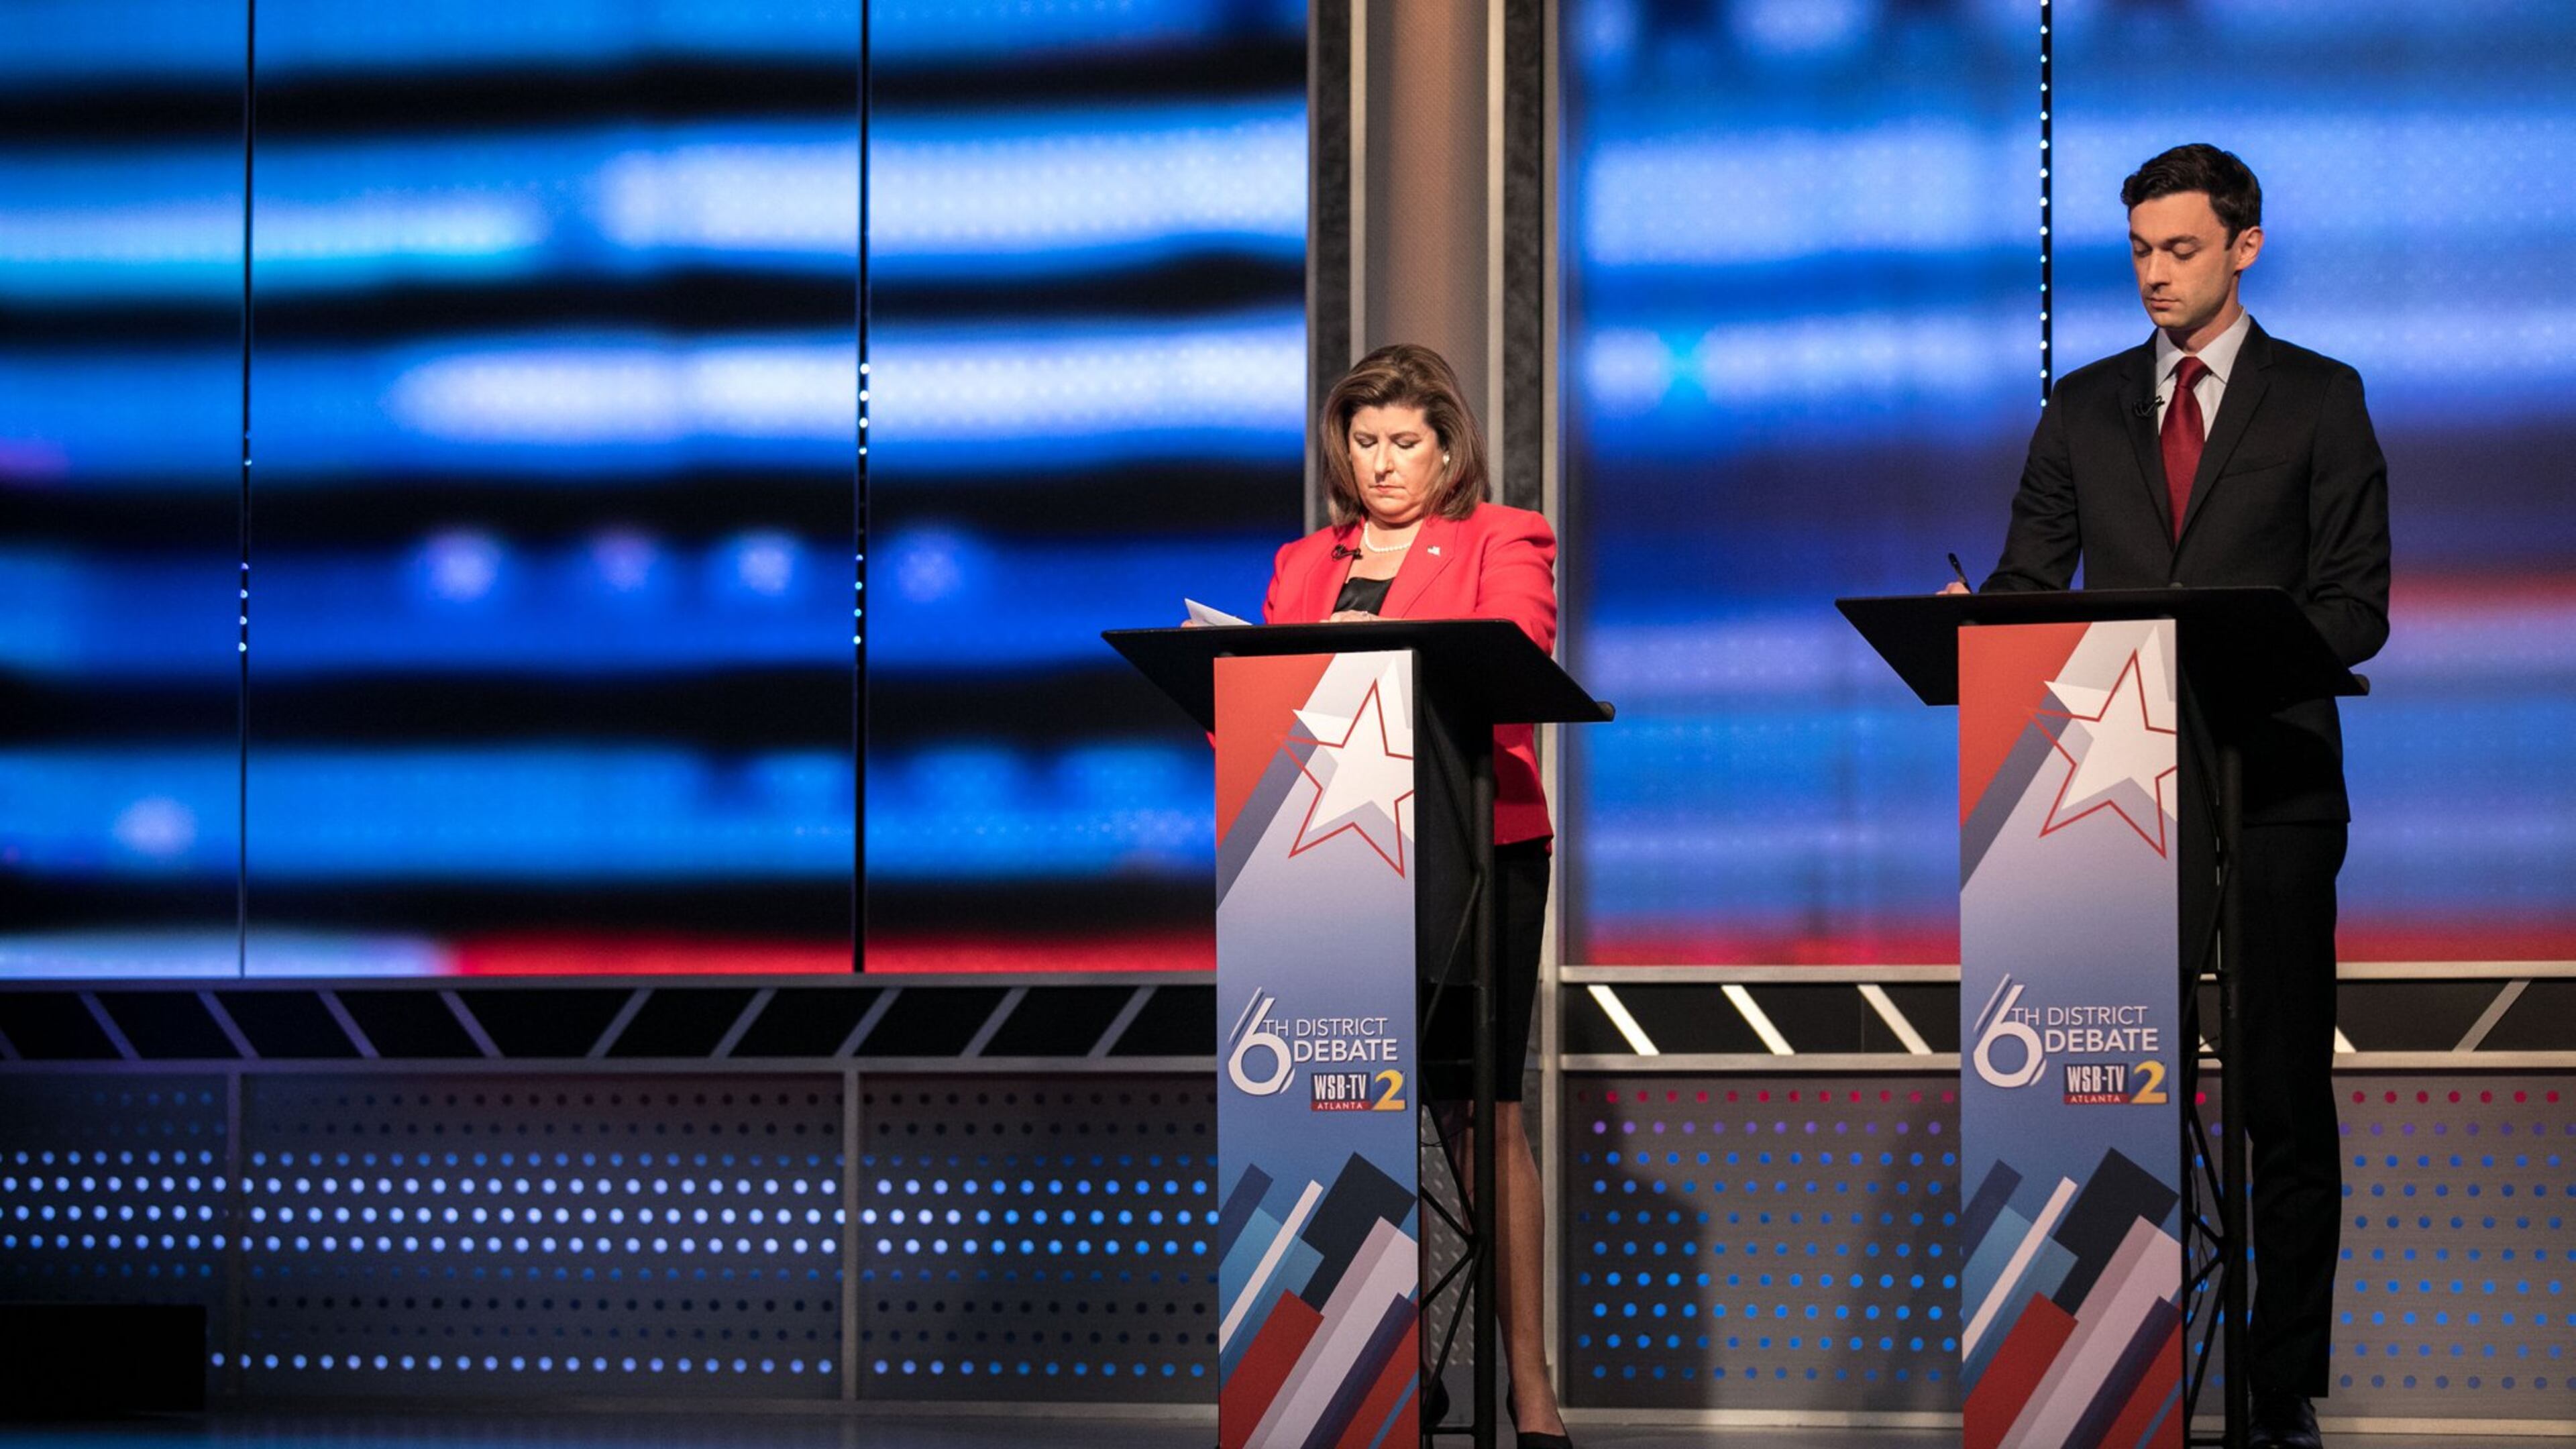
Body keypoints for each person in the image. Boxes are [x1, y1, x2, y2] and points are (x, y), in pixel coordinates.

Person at [1955, 144, 2391, 1449]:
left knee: (2279, 1104)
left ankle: (2277, 1386)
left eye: (2181, 249)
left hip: (2273, 790)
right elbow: (2033, 591)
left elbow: (2355, 604)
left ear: (2244, 247)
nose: (2154, 272)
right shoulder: (2082, 409)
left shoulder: (2323, 399)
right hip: (2109, 806)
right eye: (2140, 249)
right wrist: (1976, 627)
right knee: (2099, 1092)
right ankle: (2102, 1373)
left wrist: (2232, 645)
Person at [1263, 342, 1570, 1449]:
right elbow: (1257, 705)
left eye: (1406, 443)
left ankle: (1528, 1387)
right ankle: (1364, 1368)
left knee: (1477, 1115)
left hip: (1468, 847)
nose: (1384, 464)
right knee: (1333, 1107)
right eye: (1365, 441)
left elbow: (1517, 652)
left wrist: (1376, 651)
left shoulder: (1505, 537)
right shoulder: (1303, 563)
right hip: (1319, 865)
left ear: (1448, 450)